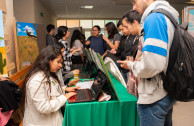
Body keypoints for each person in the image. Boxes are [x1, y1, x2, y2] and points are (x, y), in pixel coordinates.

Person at [117, 0, 179, 125]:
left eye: (134, 2)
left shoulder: (154, 18)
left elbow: (151, 65)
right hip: (166, 90)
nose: (134, 7)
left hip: (154, 97)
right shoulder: (168, 16)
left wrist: (131, 66)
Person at [21, 46, 79, 126]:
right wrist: (65, 97)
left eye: (61, 62)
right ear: (48, 60)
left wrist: (66, 89)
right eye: (58, 62)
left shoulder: (48, 74)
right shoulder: (36, 81)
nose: (60, 65)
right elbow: (43, 107)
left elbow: (52, 89)